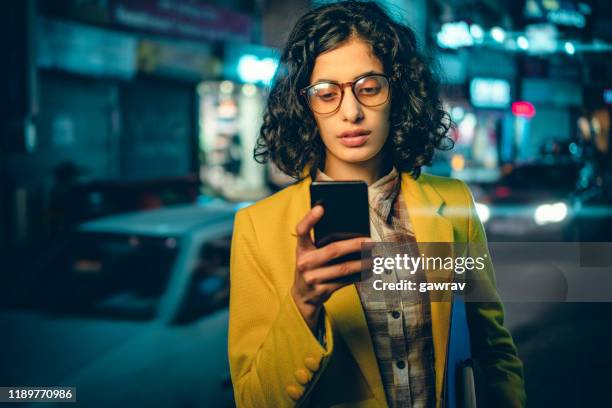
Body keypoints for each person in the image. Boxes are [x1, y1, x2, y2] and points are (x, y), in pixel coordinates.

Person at [228, 2, 525, 407]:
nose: (351, 112)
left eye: (369, 88)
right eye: (327, 93)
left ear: (397, 92)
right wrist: (302, 304)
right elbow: (252, 398)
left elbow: (493, 348)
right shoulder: (257, 228)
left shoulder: (454, 203)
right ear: (305, 105)